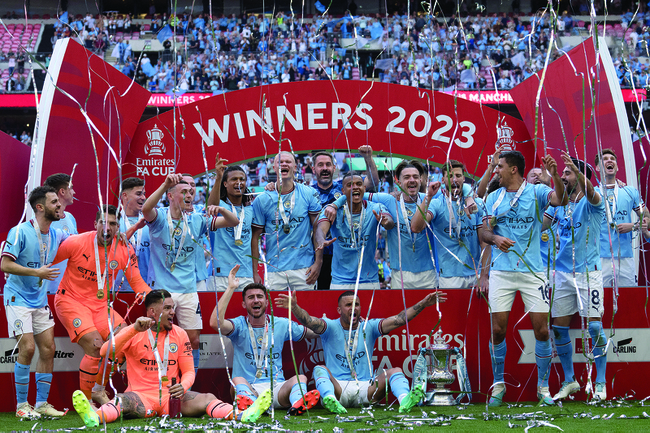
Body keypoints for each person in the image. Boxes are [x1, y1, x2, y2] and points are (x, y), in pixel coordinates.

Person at [72, 290, 272, 427]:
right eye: (167, 308)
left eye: (173, 307)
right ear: (152, 312)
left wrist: (184, 387)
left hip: (173, 398)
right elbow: (104, 351)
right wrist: (132, 329)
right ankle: (95, 418)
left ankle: (243, 415)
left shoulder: (179, 333)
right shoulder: (133, 332)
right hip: (142, 397)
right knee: (121, 401)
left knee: (208, 398)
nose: (172, 312)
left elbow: (189, 371)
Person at [480, 151, 567, 406]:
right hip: (501, 272)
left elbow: (559, 199)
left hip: (533, 272)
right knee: (498, 330)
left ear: (514, 169)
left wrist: (555, 177)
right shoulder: (494, 198)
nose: (496, 171)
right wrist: (495, 238)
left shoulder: (537, 192)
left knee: (541, 329)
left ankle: (543, 387)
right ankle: (498, 386)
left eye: (500, 167)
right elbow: (484, 232)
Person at [274, 290, 446, 414]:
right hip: (338, 388)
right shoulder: (330, 326)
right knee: (319, 369)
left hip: (366, 388)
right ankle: (330, 401)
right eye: (348, 305)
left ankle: (405, 401)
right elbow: (310, 321)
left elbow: (399, 320)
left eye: (356, 304)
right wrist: (295, 308)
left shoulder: (369, 327)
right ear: (339, 310)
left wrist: (423, 304)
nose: (353, 308)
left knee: (396, 371)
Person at [51, 204, 151, 405]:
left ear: (118, 227)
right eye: (103, 223)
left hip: (100, 306)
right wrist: (19, 269)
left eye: (113, 224)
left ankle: (97, 389)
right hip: (70, 301)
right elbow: (47, 260)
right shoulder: (76, 242)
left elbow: (138, 283)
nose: (107, 228)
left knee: (123, 343)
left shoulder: (124, 248)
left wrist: (159, 300)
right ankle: (86, 402)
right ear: (95, 224)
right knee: (96, 346)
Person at [142, 173, 238, 375]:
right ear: (170, 196)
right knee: (157, 335)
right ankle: (158, 379)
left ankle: (188, 382)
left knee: (193, 339)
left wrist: (220, 209)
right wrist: (164, 184)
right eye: (183, 192)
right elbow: (145, 209)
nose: (189, 195)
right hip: (162, 290)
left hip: (188, 290)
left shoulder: (196, 220)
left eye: (190, 192)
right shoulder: (159, 218)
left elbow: (234, 221)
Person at [208, 266, 320, 415]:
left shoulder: (281, 324)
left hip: (277, 389)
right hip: (249, 388)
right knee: (237, 380)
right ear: (244, 304)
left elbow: (315, 332)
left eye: (260, 297)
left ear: (267, 302)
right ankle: (254, 406)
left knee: (300, 378)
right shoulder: (239, 325)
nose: (256, 300)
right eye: (250, 297)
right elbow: (215, 323)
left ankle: (297, 405)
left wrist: (346, 325)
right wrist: (230, 288)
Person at [543, 154, 608, 401]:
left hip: (588, 273)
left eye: (568, 173)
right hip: (562, 274)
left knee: (593, 326)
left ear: (580, 177)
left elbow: (591, 192)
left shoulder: (593, 202)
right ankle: (570, 381)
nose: (564, 177)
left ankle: (600, 383)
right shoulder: (559, 203)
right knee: (558, 329)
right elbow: (541, 225)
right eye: (564, 174)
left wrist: (577, 171)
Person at [1, 186, 67, 418]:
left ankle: (41, 403)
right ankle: (21, 406)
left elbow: (81, 242)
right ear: (40, 207)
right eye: (54, 202)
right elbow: (5, 265)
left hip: (39, 301)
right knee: (28, 348)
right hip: (17, 298)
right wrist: (37, 273)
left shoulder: (57, 234)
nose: (59, 205)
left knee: (49, 349)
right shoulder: (19, 231)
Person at [308, 146, 379, 290]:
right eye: (320, 165)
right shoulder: (307, 192)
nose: (325, 168)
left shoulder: (346, 185)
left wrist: (368, 158)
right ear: (313, 168)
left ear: (334, 168)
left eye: (328, 165)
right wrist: (272, 186)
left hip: (343, 257)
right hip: (316, 257)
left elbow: (372, 182)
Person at [411, 160, 488, 289]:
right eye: (450, 176)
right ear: (443, 179)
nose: (454, 179)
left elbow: (484, 242)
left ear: (464, 178)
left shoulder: (476, 204)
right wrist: (428, 197)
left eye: (458, 176)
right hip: (449, 276)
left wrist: (484, 276)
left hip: (475, 274)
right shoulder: (436, 203)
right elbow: (416, 227)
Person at [251, 151, 322, 290]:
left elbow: (317, 229)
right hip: (274, 270)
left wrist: (318, 262)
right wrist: (255, 272)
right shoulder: (262, 199)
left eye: (288, 162)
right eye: (280, 162)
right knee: (275, 312)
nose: (284, 164)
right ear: (274, 167)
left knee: (305, 311)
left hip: (304, 268)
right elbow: (255, 238)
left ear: (295, 167)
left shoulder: (309, 193)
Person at [314, 172, 394, 289]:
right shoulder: (332, 210)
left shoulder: (376, 208)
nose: (355, 187)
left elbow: (390, 222)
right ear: (343, 190)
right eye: (350, 184)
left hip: (369, 280)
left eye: (358, 184)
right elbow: (320, 229)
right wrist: (321, 240)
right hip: (340, 280)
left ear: (364, 188)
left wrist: (386, 222)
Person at [595, 148, 647, 287]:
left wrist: (635, 226)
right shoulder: (592, 194)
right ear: (598, 168)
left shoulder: (629, 191)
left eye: (612, 159)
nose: (609, 161)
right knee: (600, 302)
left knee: (629, 299)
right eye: (605, 159)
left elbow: (646, 216)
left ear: (617, 167)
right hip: (599, 258)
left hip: (625, 257)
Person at [207, 156, 255, 291]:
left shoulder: (252, 209)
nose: (238, 182)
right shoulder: (220, 205)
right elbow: (211, 207)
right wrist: (218, 177)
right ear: (225, 184)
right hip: (220, 274)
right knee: (217, 312)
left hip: (245, 274)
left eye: (242, 179)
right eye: (234, 179)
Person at [43, 173, 78, 295]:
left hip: (67, 288)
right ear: (62, 191)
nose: (74, 192)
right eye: (71, 188)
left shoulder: (70, 218)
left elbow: (78, 248)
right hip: (47, 288)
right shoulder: (43, 219)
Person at [115, 177, 150, 288]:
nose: (143, 198)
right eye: (139, 194)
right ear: (124, 195)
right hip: (118, 287)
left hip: (146, 286)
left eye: (144, 194)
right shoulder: (113, 221)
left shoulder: (151, 221)